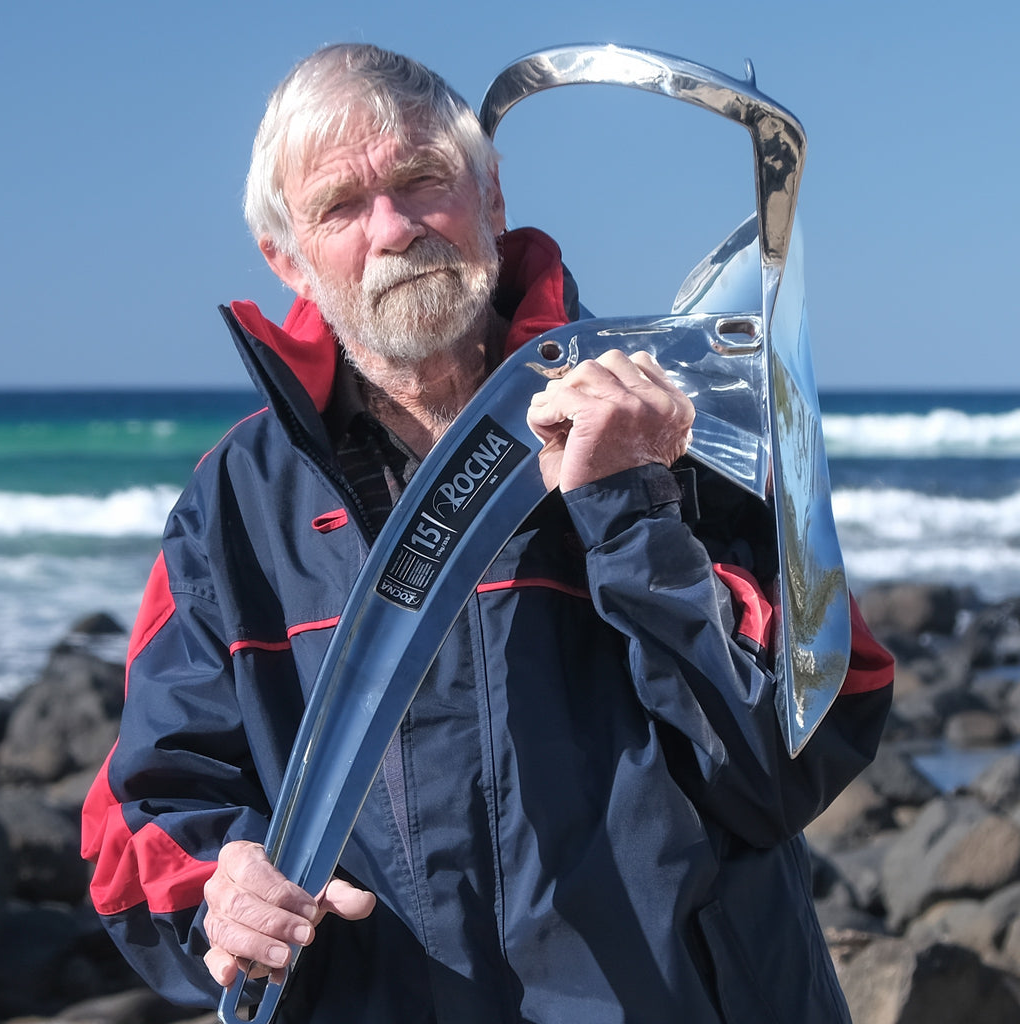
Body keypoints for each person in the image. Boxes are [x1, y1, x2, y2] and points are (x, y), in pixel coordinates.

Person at [81, 43, 893, 1023]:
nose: (393, 229)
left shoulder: (679, 423)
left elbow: (781, 768)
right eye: (341, 206)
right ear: (286, 256)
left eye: (423, 181)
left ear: (492, 197)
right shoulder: (234, 505)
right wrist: (222, 887)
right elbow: (145, 819)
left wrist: (633, 510)